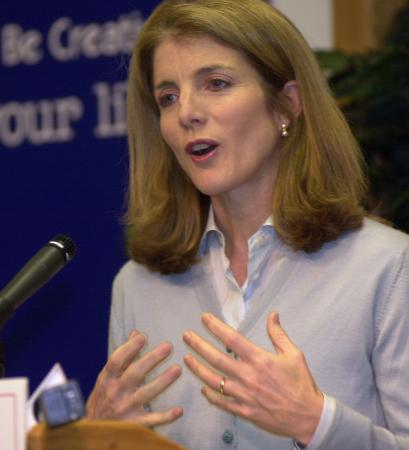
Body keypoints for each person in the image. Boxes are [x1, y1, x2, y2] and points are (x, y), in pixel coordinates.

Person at [86, 1, 409, 449]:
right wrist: (97, 440)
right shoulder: (137, 287)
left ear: (287, 104)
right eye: (168, 97)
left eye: (215, 84)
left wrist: (318, 423)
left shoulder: (387, 268)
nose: (187, 113)